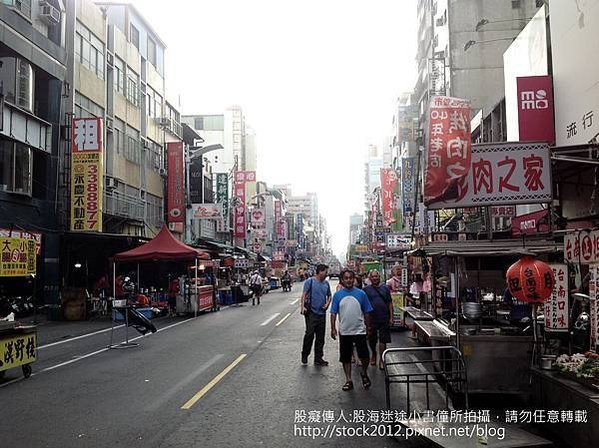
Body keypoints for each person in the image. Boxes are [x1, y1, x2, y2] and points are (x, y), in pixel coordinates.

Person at [330, 269, 374, 391]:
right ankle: (349, 380)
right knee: (346, 357)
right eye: (346, 278)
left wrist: (368, 327)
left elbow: (367, 312)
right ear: (342, 280)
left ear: (353, 279)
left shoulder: (361, 294)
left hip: (359, 330)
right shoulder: (338, 295)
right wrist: (333, 328)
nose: (348, 280)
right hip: (344, 332)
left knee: (365, 356)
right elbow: (333, 313)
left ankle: (364, 373)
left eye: (350, 278)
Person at [300, 264, 332, 366]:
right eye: (325, 272)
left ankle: (318, 358)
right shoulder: (310, 282)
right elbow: (304, 295)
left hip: (321, 313)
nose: (327, 274)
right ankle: (305, 354)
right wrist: (302, 307)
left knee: (320, 337)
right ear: (320, 271)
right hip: (311, 313)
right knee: (309, 334)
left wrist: (327, 304)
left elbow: (329, 296)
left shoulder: (326, 284)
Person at [363, 270, 393, 370]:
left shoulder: (385, 288)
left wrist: (391, 317)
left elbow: (389, 303)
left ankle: (381, 359)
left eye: (376, 276)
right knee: (372, 339)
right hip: (371, 318)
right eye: (373, 277)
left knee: (383, 340)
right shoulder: (366, 290)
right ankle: (374, 354)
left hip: (384, 317)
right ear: (370, 278)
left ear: (379, 277)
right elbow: (363, 305)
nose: (375, 278)